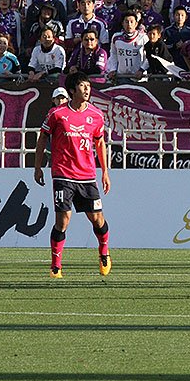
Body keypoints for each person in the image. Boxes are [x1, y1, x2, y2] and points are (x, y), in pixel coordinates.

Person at [33, 72, 112, 278]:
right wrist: (38, 166)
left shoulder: (96, 115)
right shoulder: (57, 114)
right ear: (72, 90)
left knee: (97, 219)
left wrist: (105, 172)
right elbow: (42, 138)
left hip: (87, 175)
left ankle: (104, 253)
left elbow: (100, 143)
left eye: (88, 86)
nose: (87, 89)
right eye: (82, 86)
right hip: (63, 174)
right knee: (63, 221)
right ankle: (56, 266)